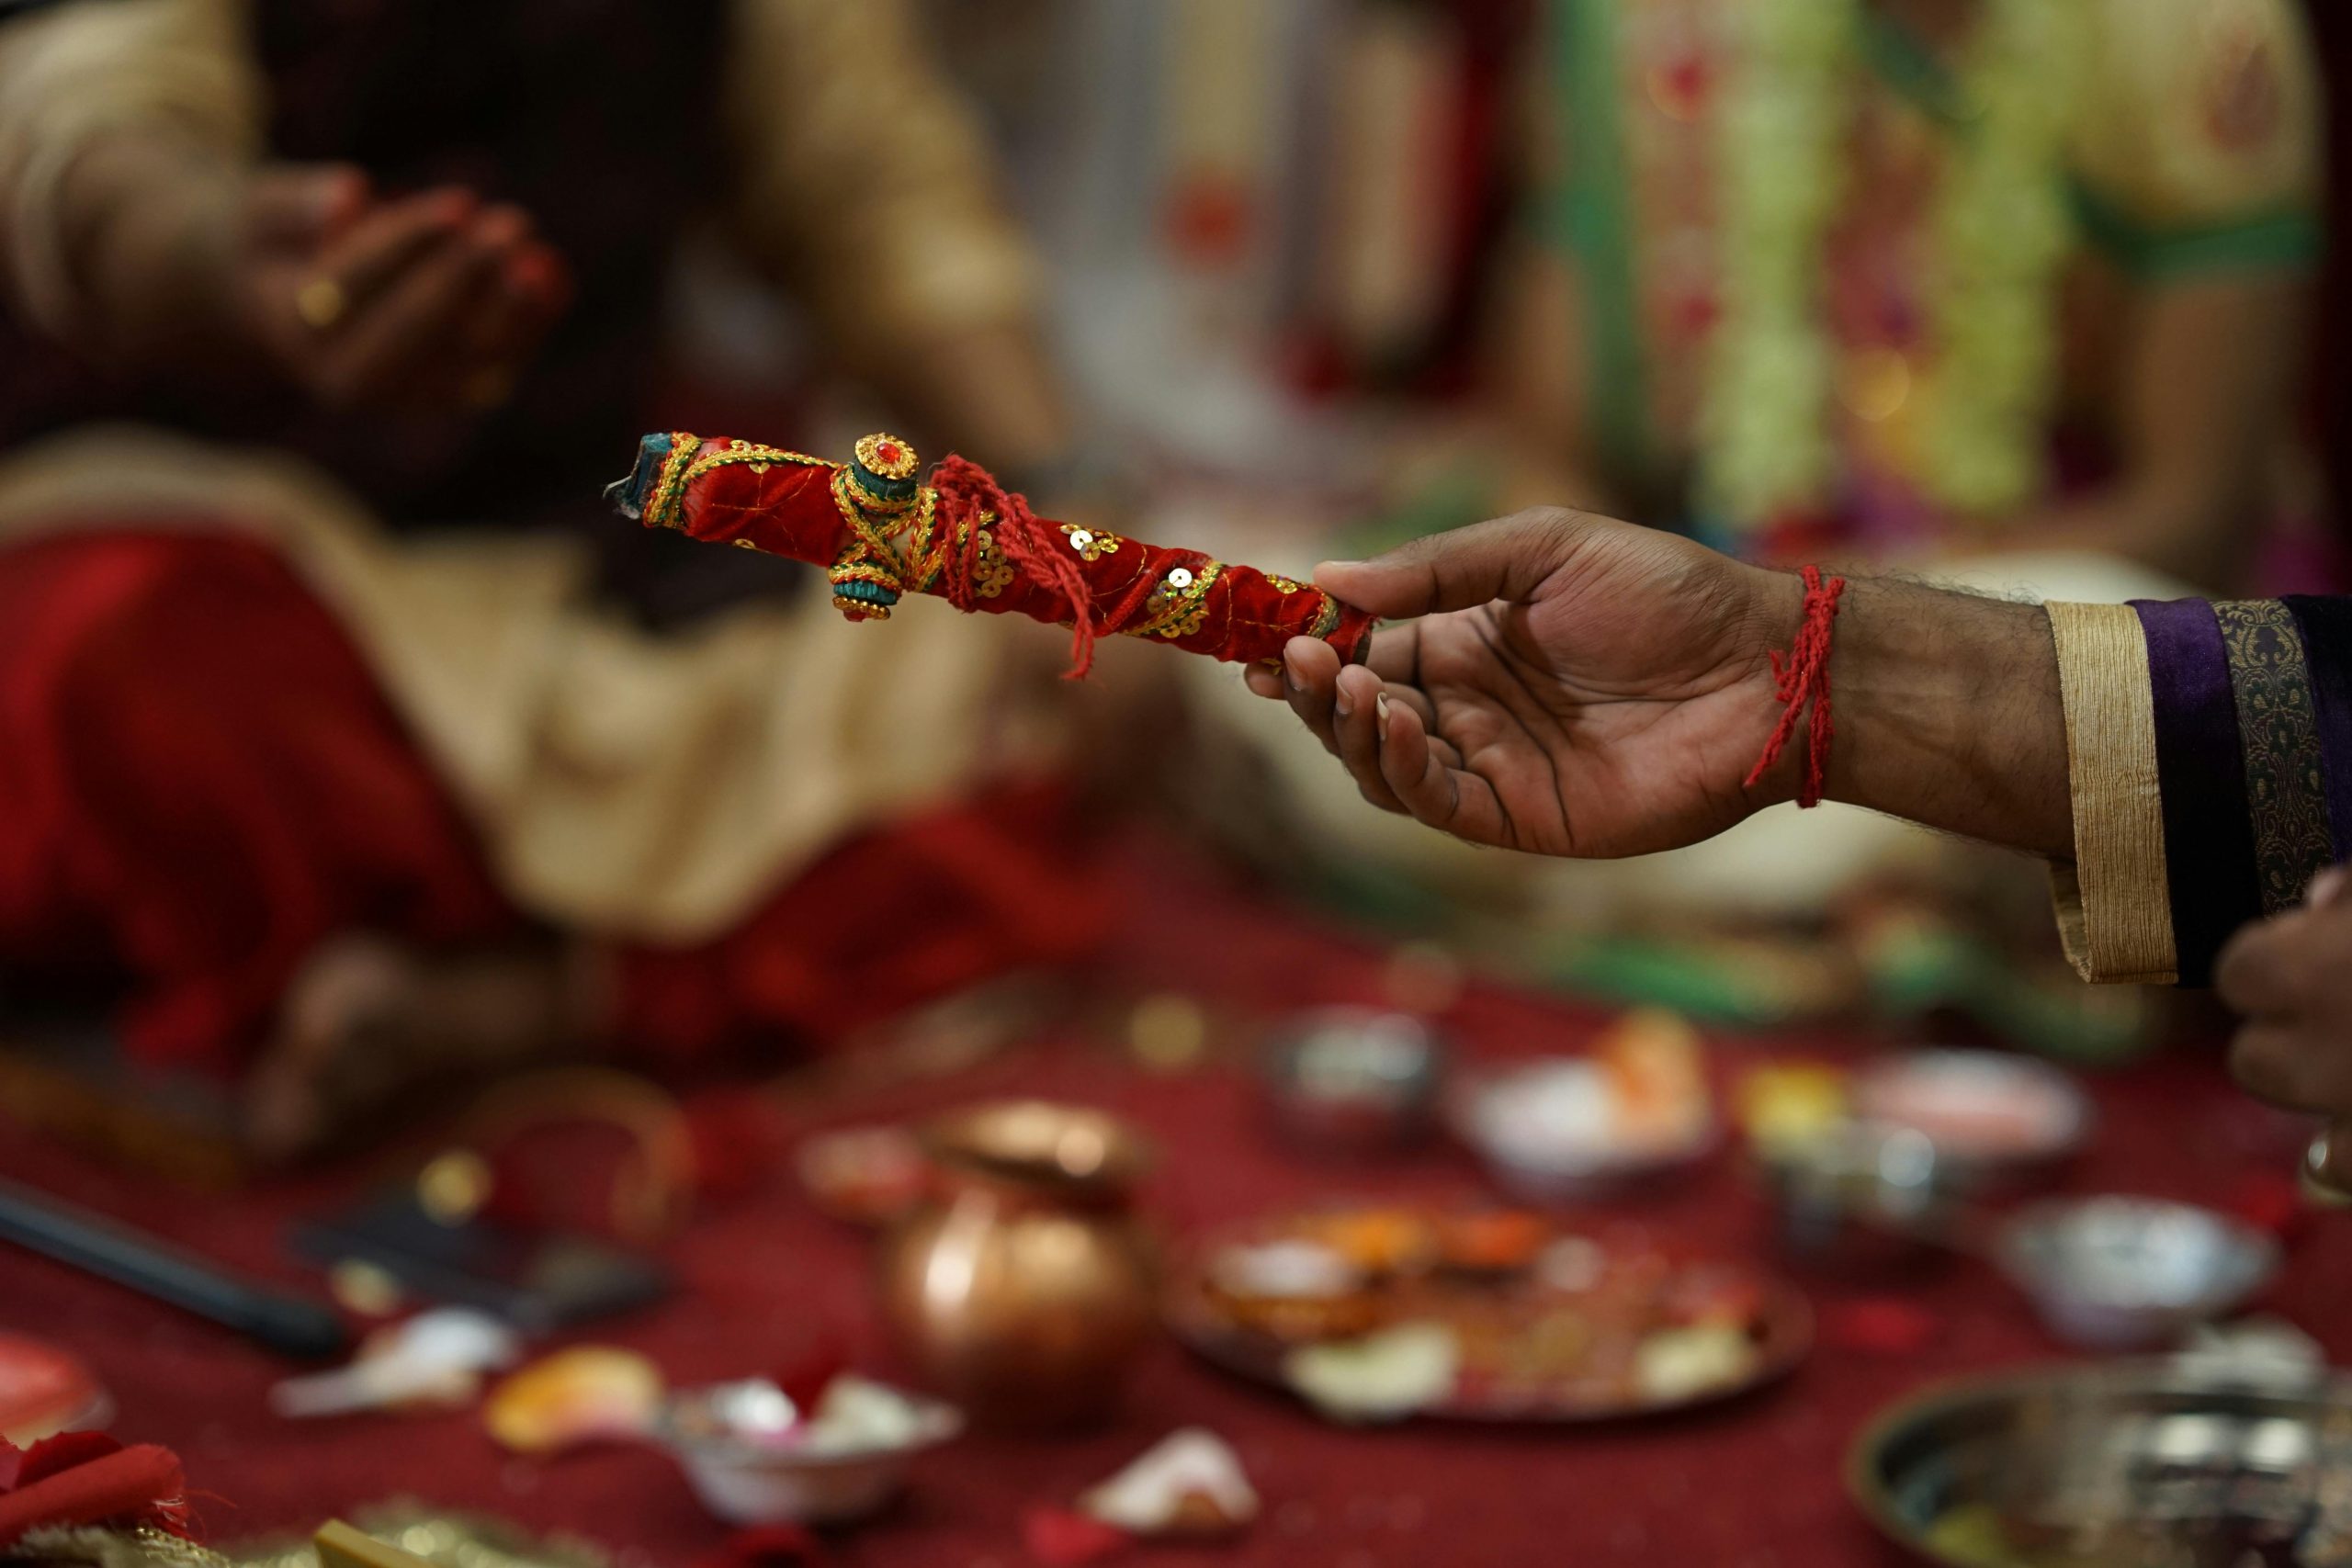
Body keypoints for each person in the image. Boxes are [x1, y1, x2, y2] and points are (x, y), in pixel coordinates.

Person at [0, 0, 1119, 1157]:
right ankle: (620, 956)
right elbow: (86, 119)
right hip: (219, 540)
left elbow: (881, 195)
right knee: (108, 660)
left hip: (577, 568)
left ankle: (520, 1004)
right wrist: (229, 259)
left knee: (1013, 700)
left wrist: (1068, 515)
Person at [1242, 506, 2352, 1182]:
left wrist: (1847, 613)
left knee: (2124, 602)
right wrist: (1786, 656)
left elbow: (2190, 503)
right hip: (1654, 661)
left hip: (2020, 583)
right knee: (1285, 609)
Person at [1490, 0, 2324, 591]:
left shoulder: (2195, 31)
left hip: (2081, 645)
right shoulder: (1651, 28)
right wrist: (1606, 614)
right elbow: (1545, 455)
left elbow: (2193, 519)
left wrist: (1804, 624)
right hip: (1732, 616)